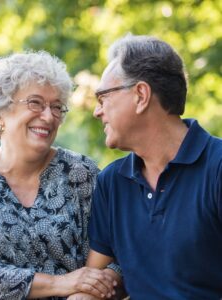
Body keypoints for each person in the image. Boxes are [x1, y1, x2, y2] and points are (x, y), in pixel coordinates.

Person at [0, 51, 120, 300]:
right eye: (35, 103)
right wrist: (59, 284)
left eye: (56, 107)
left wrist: (88, 295)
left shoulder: (82, 173)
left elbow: (119, 257)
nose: (48, 116)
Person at [87, 34, 222, 299]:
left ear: (140, 95)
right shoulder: (112, 182)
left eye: (103, 97)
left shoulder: (217, 168)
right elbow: (97, 280)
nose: (97, 111)